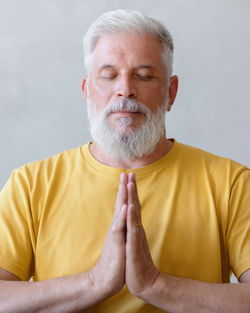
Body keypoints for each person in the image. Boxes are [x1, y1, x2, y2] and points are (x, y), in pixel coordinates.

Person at [0, 9, 249, 313]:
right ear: (86, 91)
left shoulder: (231, 182)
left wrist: (156, 285)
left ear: (170, 92)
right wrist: (94, 282)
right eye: (109, 76)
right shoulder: (30, 185)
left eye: (144, 76)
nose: (125, 89)